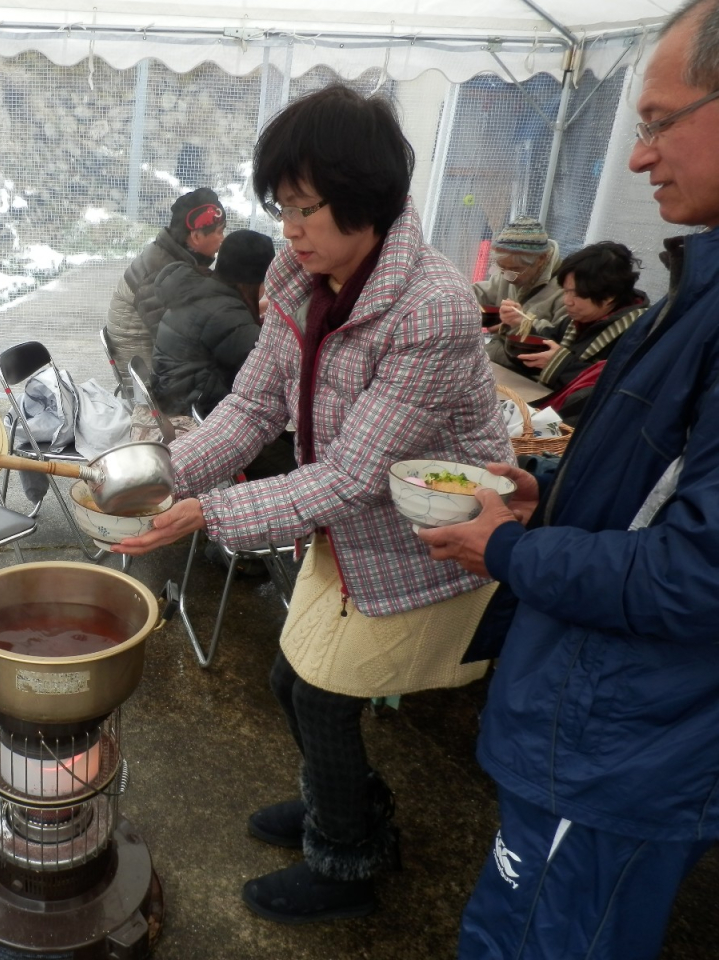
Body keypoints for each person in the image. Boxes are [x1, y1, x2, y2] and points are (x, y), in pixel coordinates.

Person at [114, 84, 512, 925]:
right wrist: (166, 474)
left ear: (367, 202)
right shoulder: (304, 273)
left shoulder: (432, 308)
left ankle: (348, 860)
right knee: (290, 681)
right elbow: (253, 406)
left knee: (325, 696)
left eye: (304, 207)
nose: (287, 229)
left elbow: (356, 475)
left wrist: (208, 515)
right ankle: (346, 804)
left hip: (429, 536)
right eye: (282, 207)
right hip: (350, 527)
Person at [419, 3, 719, 956]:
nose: (638, 159)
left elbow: (697, 573)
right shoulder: (698, 288)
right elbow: (662, 495)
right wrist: (559, 501)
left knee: (543, 938)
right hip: (596, 715)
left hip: (624, 732)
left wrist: (508, 547)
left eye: (659, 123)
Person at [509, 241, 650, 425]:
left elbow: (616, 387)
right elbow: (546, 345)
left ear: (609, 296)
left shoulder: (639, 333)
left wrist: (561, 365)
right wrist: (520, 328)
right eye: (566, 292)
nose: (567, 301)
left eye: (576, 294)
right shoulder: (577, 321)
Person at [104, 187, 226, 381]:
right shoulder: (161, 274)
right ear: (195, 237)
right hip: (148, 381)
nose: (222, 239)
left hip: (150, 364)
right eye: (219, 232)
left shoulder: (170, 258)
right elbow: (178, 344)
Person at [151, 228, 275, 418]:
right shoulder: (226, 315)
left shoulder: (204, 291)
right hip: (195, 410)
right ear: (256, 280)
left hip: (174, 396)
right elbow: (265, 370)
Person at [475, 215, 567, 364]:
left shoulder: (565, 288)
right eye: (501, 268)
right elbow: (482, 293)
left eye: (514, 270)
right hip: (496, 358)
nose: (506, 277)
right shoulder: (508, 272)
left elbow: (563, 338)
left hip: (530, 371)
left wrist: (523, 323)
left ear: (541, 259)